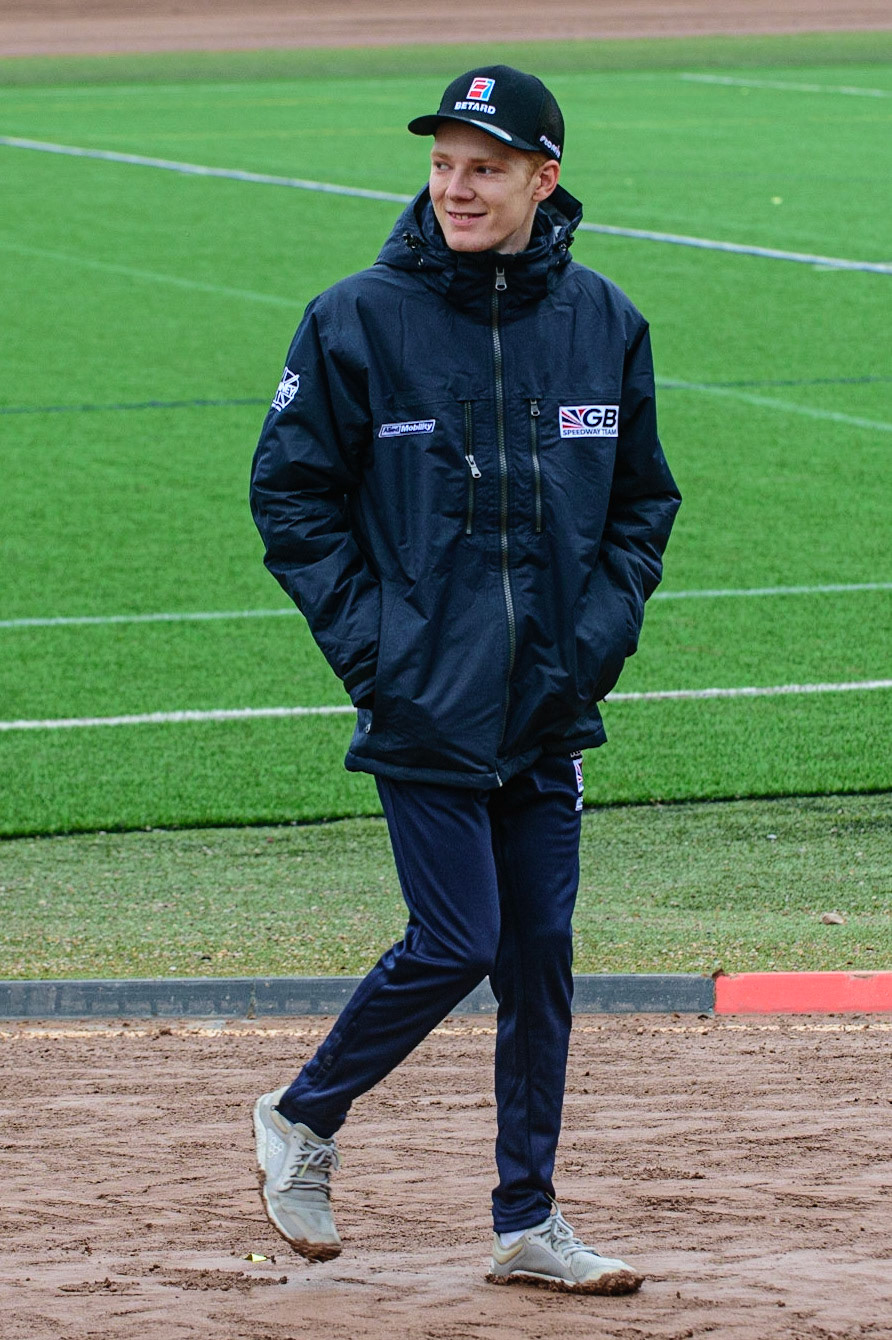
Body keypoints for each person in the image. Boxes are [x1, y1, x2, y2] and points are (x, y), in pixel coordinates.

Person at [249, 64, 680, 1294]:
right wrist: (378, 651)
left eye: (484, 167)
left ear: (544, 178)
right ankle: (302, 1115)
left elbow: (642, 503)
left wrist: (595, 638)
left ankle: (527, 1220)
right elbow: (290, 496)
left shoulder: (604, 322)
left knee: (538, 953)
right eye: (442, 165)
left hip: (548, 698)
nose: (456, 187)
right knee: (456, 938)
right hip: (423, 697)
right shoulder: (356, 319)